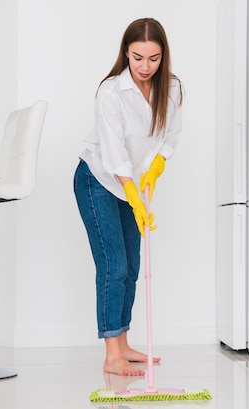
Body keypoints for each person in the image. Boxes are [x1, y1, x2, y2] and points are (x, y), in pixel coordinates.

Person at [73, 17, 183, 376]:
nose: (145, 67)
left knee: (133, 268)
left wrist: (155, 169)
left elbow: (169, 138)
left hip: (130, 184)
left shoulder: (172, 89)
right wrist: (133, 194)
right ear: (126, 52)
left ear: (163, 56)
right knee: (113, 266)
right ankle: (111, 355)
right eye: (137, 58)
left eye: (153, 58)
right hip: (98, 180)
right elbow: (114, 153)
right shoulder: (110, 92)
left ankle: (123, 343)